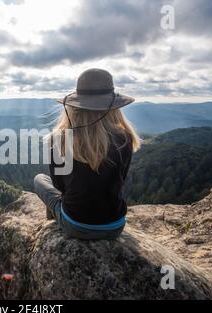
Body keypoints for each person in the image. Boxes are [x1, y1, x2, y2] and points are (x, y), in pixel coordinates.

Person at [34, 68, 141, 240]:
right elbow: (121, 179)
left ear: (75, 107)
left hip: (77, 226)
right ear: (112, 108)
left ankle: (53, 225)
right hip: (115, 225)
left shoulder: (60, 139)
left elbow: (59, 187)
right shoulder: (124, 138)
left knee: (39, 179)